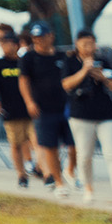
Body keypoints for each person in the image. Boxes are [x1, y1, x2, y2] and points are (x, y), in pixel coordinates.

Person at [62, 28, 112, 205]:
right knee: (85, 154)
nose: (89, 47)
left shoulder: (104, 60)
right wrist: (84, 71)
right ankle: (88, 188)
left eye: (92, 43)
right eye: (84, 43)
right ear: (77, 44)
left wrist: (102, 77)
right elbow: (66, 84)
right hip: (81, 114)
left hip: (106, 113)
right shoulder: (70, 61)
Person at [0, 24, 35, 186]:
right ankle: (21, 174)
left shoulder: (25, 62)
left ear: (16, 44)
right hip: (10, 110)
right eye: (1, 43)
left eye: (6, 43)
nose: (3, 46)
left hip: (30, 109)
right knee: (16, 143)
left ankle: (44, 171)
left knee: (36, 139)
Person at [18, 21, 70, 189]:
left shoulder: (61, 56)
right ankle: (52, 176)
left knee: (73, 144)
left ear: (51, 36)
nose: (38, 40)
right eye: (35, 38)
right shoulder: (29, 58)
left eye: (41, 37)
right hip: (43, 108)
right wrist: (29, 102)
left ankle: (70, 170)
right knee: (48, 145)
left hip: (65, 106)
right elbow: (23, 81)